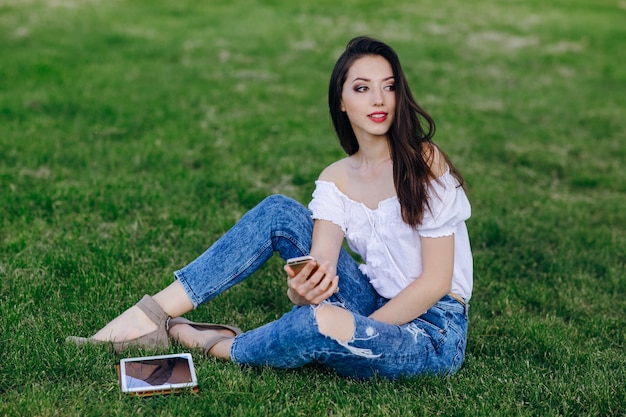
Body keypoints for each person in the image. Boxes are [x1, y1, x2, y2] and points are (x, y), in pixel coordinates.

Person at [67, 36, 472, 380]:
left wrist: (354, 328)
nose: (379, 99)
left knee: (319, 325)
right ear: (342, 102)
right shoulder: (336, 178)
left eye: (389, 86)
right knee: (280, 212)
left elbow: (436, 281)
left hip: (433, 331)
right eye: (362, 88)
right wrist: (305, 288)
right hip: (376, 301)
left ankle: (215, 345)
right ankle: (150, 316)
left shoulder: (424, 161)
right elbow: (322, 262)